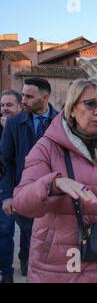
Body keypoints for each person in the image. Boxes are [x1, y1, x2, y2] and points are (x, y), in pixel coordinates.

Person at [11, 78, 97, 283]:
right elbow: (21, 202)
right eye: (90, 104)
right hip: (59, 266)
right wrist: (53, 185)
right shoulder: (46, 147)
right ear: (72, 109)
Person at [0, 79, 58, 283]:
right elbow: (5, 162)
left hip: (55, 194)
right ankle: (27, 264)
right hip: (25, 193)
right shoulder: (15, 123)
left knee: (51, 243)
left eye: (28, 96)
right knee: (29, 236)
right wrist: (6, 195)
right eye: (22, 95)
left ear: (44, 97)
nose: (23, 100)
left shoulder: (62, 122)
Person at [0, 90, 23, 283]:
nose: (4, 109)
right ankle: (6, 272)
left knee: (28, 229)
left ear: (19, 107)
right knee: (5, 230)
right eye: (2, 105)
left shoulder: (26, 125)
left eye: (9, 105)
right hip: (4, 186)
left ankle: (25, 260)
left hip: (25, 185)